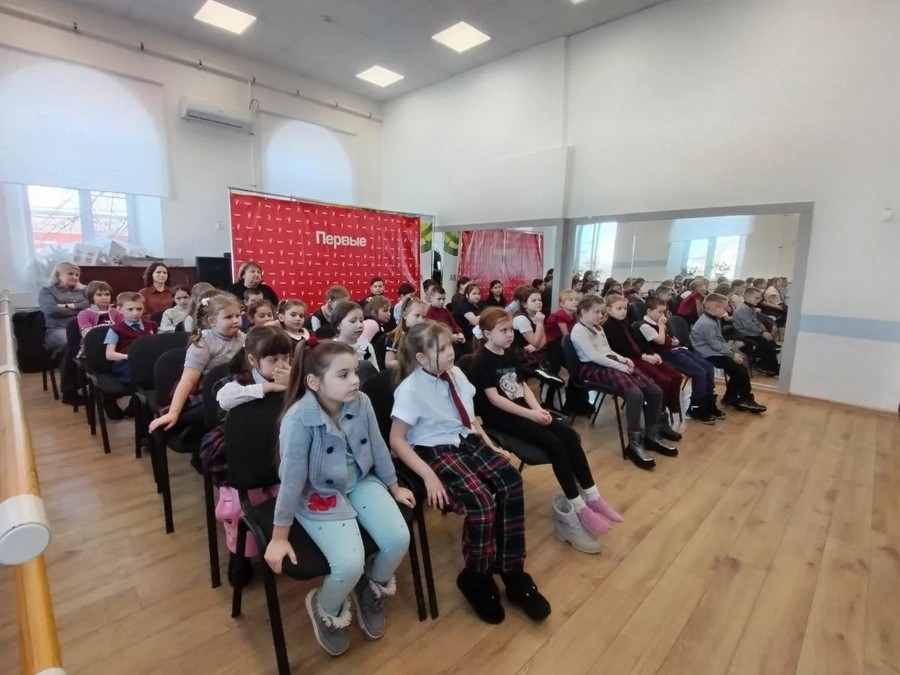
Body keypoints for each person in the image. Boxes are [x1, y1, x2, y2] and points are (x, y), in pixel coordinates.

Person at [390, 321, 551, 625]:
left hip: (466, 439)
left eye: (449, 346)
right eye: (441, 349)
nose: (450, 352)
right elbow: (397, 440)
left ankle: (511, 569)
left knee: (511, 482)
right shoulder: (410, 389)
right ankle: (476, 576)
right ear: (421, 358)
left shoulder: (456, 374)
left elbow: (470, 418)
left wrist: (491, 446)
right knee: (481, 501)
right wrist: (428, 476)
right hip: (435, 449)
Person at [264, 341, 413, 656]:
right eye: (343, 375)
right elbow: (291, 482)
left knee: (398, 538)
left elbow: (378, 447)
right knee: (348, 563)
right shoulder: (298, 420)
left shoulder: (361, 402)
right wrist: (279, 537)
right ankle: (327, 608)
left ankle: (372, 589)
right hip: (319, 493)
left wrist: (393, 486)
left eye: (355, 372)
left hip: (359, 480)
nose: (355, 380)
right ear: (314, 382)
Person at [470, 308, 622, 554]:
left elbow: (522, 387)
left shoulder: (509, 354)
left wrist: (538, 409)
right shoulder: (480, 361)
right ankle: (577, 505)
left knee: (569, 435)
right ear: (487, 334)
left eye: (511, 329)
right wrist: (530, 415)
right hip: (501, 418)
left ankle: (592, 495)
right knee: (555, 444)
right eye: (503, 330)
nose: (510, 335)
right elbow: (495, 399)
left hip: (523, 410)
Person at [198, 325, 292, 586]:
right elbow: (224, 399)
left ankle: (279, 540)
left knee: (286, 495)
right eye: (273, 360)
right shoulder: (237, 382)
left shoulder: (292, 376)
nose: (281, 365)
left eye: (286, 358)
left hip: (279, 448)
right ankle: (239, 554)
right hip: (243, 450)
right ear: (253, 360)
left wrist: (293, 385)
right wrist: (267, 389)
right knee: (242, 505)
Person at [570, 295, 666, 470]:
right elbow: (594, 356)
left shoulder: (598, 327)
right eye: (596, 312)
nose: (601, 315)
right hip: (593, 368)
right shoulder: (579, 330)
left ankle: (651, 435)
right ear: (583, 312)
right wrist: (620, 366)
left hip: (609, 362)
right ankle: (634, 444)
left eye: (601, 312)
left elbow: (607, 350)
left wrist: (623, 359)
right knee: (635, 395)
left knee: (655, 391)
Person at [148, 294, 247, 434]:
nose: (236, 320)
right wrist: (173, 413)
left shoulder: (243, 338)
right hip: (208, 391)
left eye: (238, 315)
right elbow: (188, 380)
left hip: (235, 387)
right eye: (228, 317)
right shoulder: (203, 343)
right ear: (212, 321)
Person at [601, 293, 683, 445]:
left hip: (641, 356)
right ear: (609, 309)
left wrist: (651, 353)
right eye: (619, 309)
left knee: (675, 376)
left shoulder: (625, 323)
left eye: (625, 308)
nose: (623, 311)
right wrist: (644, 356)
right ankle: (659, 420)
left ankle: (667, 411)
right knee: (662, 380)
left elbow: (639, 343)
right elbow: (620, 349)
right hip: (629, 359)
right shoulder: (609, 327)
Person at [638, 298, 720, 424]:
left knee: (708, 368)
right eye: (660, 312)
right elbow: (660, 341)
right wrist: (661, 325)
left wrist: (673, 341)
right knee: (699, 372)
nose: (663, 315)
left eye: (664, 312)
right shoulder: (644, 325)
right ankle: (696, 407)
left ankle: (708, 402)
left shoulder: (658, 322)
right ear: (649, 311)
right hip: (665, 355)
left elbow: (666, 339)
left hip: (676, 350)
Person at [690, 294, 767, 413]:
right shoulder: (706, 323)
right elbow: (714, 344)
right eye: (725, 308)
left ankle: (731, 397)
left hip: (713, 351)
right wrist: (732, 355)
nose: (728, 310)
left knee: (738, 368)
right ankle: (744, 398)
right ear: (715, 308)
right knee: (739, 369)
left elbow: (719, 340)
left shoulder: (713, 318)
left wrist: (731, 352)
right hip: (706, 354)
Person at [38, 261, 89, 405]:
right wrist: (79, 310)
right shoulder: (47, 291)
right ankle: (69, 392)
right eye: (70, 273)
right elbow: (51, 310)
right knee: (70, 345)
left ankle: (94, 384)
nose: (74, 277)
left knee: (99, 340)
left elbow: (90, 305)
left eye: (77, 274)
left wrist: (66, 305)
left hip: (81, 328)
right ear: (58, 275)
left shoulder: (83, 290)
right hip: (57, 329)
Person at [733, 287, 780, 375]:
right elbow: (747, 325)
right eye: (756, 298)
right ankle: (764, 365)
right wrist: (762, 333)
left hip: (749, 329)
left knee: (770, 341)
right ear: (747, 297)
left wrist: (764, 331)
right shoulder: (743, 308)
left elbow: (756, 321)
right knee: (765, 342)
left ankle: (772, 365)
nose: (759, 300)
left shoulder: (751, 307)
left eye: (760, 298)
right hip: (743, 331)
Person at [384, 296, 427, 370]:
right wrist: (409, 364)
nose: (421, 320)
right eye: (417, 316)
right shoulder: (395, 336)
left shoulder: (425, 336)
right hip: (403, 373)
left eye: (423, 317)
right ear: (405, 315)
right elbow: (389, 362)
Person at [331, 301, 377, 369]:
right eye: (353, 321)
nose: (360, 325)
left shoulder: (367, 346)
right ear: (339, 325)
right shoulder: (331, 349)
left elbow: (374, 371)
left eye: (361, 321)